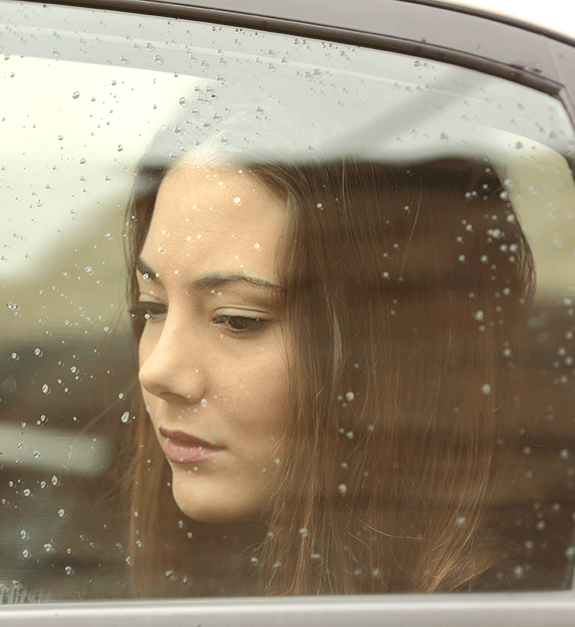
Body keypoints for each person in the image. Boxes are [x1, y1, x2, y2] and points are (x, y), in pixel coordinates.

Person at [120, 97, 535, 596]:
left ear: (395, 349)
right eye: (151, 307)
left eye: (237, 319)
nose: (158, 370)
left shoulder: (496, 625)